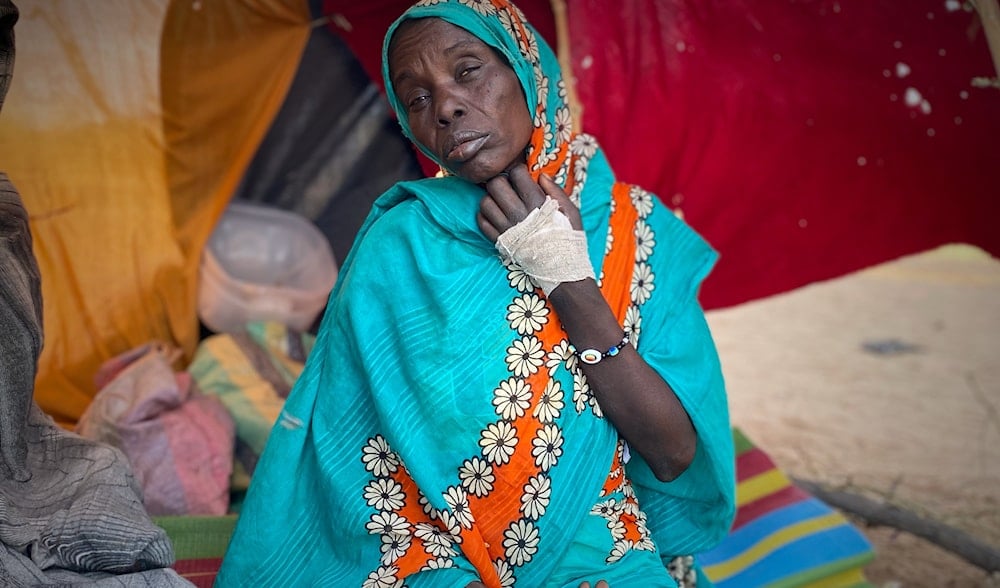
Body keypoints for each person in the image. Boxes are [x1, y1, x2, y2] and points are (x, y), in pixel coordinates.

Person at [217, 1, 734, 586]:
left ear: (526, 69)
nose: (446, 107)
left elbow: (672, 454)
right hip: (432, 561)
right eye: (417, 98)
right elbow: (350, 462)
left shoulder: (634, 231)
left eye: (468, 71)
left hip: (605, 557)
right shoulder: (402, 244)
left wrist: (565, 277)